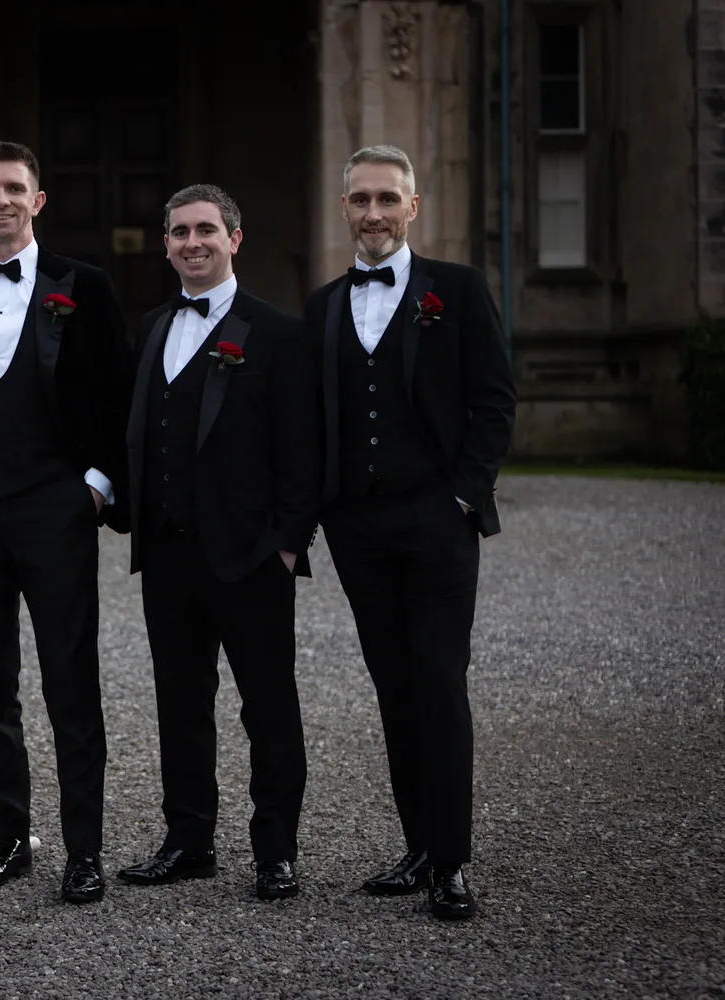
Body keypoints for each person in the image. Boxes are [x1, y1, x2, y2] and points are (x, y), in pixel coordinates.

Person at [304, 144, 516, 920]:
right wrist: (321, 511)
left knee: (439, 684)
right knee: (394, 689)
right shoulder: (324, 304)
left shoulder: (456, 291)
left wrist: (464, 497)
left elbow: (494, 401)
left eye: (387, 199)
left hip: (436, 524)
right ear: (346, 207)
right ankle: (419, 847)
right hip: (358, 528)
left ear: (413, 207)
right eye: (360, 200)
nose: (373, 213)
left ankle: (453, 863)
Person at [0, 141, 131, 904]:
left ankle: (84, 850)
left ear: (38, 200)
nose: (3, 199)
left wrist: (97, 487)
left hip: (55, 510)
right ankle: (11, 835)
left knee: (71, 682)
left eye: (16, 187)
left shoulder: (86, 287)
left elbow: (119, 391)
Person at [116, 184, 317, 900]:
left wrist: (287, 544)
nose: (192, 242)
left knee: (267, 704)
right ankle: (189, 839)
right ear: (166, 244)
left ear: (235, 238)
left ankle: (276, 850)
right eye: (179, 232)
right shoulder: (152, 327)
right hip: (168, 552)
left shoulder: (278, 333)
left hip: (250, 554)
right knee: (180, 701)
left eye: (206, 229)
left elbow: (302, 450)